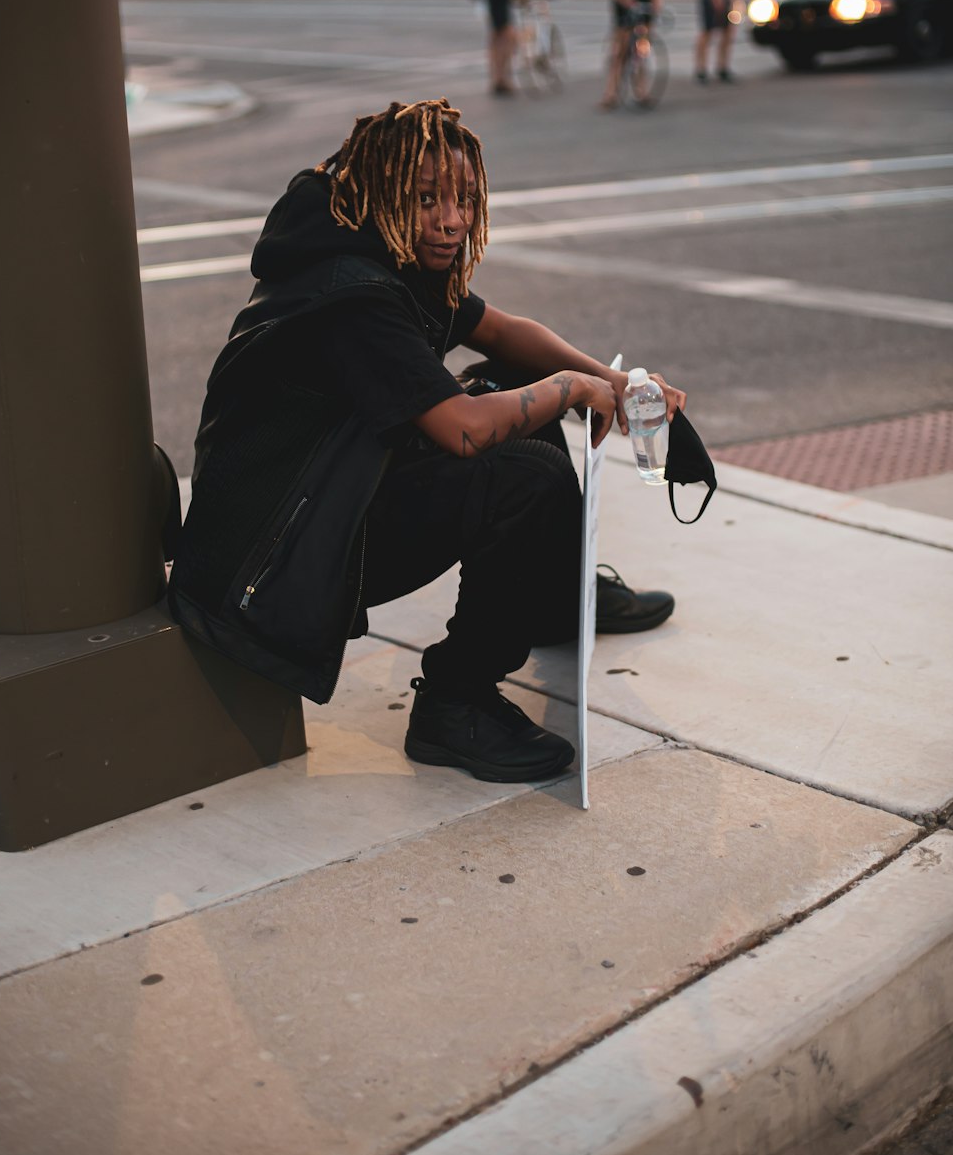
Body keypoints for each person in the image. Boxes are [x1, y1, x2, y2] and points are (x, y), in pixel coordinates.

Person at [168, 99, 686, 786]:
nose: (451, 219)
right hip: (278, 556)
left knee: (509, 381)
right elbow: (463, 433)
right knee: (522, 478)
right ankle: (454, 700)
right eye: (425, 199)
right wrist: (568, 390)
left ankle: (555, 599)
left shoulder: (385, 250)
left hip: (330, 492)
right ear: (380, 194)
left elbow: (500, 331)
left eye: (464, 199)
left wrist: (614, 381)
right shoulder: (349, 296)